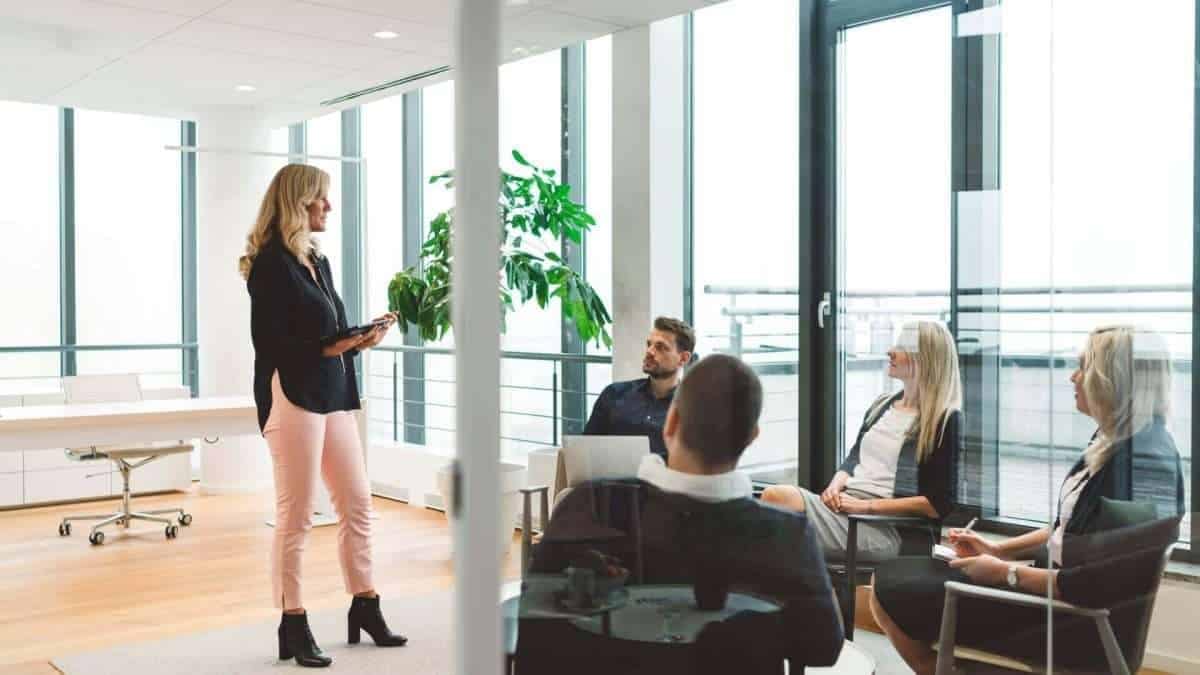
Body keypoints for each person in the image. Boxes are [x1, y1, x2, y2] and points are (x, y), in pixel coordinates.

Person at [870, 325, 1185, 674]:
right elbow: (1065, 530)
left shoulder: (1141, 466)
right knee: (896, 576)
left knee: (891, 589)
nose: (1073, 377)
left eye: (1083, 366)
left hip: (1070, 621)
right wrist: (997, 550)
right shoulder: (1117, 443)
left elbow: (1094, 583)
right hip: (1055, 597)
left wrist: (1006, 574)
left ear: (1113, 380)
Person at [518, 354, 844, 675]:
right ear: (751, 437)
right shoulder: (787, 536)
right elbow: (822, 646)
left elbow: (535, 648)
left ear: (671, 423)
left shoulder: (585, 508)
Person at [240, 163, 407, 668]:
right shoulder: (270, 265)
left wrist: (360, 340)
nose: (329, 207)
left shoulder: (318, 261)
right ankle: (293, 621)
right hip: (292, 395)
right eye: (321, 199)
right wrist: (337, 343)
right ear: (298, 203)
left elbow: (327, 337)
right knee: (297, 515)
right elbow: (273, 344)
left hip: (333, 393)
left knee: (357, 503)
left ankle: (366, 605)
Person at [761, 320, 964, 561]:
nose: (890, 351)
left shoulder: (944, 419)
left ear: (924, 359)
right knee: (773, 520)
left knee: (777, 505)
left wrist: (863, 507)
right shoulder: (882, 405)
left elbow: (937, 503)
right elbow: (855, 458)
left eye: (900, 347)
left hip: (885, 529)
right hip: (846, 510)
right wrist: (835, 486)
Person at [583, 316, 694, 459]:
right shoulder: (614, 394)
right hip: (609, 480)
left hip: (661, 481)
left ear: (683, 358)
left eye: (660, 347)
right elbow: (584, 450)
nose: (650, 351)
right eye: (649, 344)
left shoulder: (691, 410)